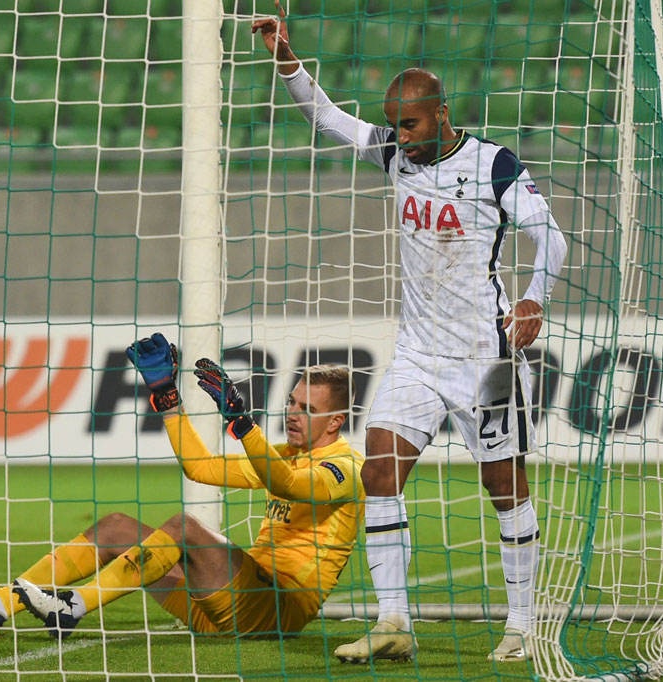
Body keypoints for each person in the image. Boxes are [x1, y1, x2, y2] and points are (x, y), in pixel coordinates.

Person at [252, 5, 568, 664]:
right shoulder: (395, 152)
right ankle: (393, 620)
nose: (401, 135)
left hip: (488, 356)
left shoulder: (494, 165)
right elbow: (326, 118)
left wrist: (535, 298)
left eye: (412, 123)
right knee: (380, 469)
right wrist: (287, 58)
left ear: (441, 114)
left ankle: (523, 621)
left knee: (503, 484)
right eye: (395, 123)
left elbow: (552, 238)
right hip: (420, 355)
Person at [0, 333, 364, 639]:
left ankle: (72, 606)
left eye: (306, 408)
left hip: (275, 611)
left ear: (335, 421)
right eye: (291, 400)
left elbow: (287, 485)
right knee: (115, 527)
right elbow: (200, 467)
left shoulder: (345, 468)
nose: (291, 412)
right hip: (218, 608)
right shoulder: (283, 454)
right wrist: (166, 396)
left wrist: (242, 424)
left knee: (185, 526)